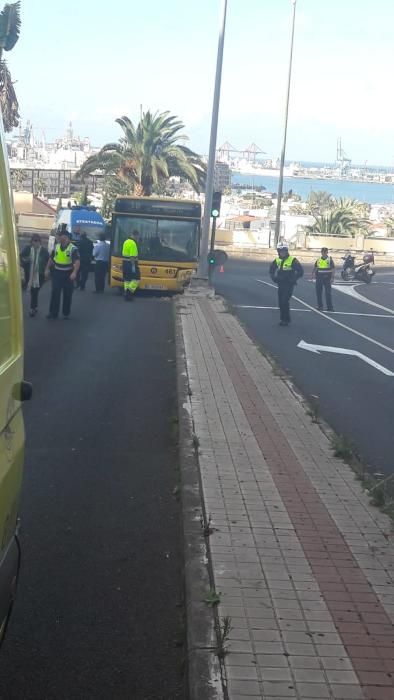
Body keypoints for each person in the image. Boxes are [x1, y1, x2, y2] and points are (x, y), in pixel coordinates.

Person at [45, 227, 80, 319]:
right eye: (59, 236)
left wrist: (74, 272)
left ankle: (66, 313)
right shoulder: (56, 246)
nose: (59, 238)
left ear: (66, 237)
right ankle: (53, 313)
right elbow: (51, 259)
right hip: (57, 273)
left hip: (68, 274)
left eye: (61, 236)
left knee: (67, 294)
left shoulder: (73, 248)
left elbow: (77, 262)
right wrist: (47, 269)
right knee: (55, 292)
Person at [269, 244, 303, 326]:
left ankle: (286, 320)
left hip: (289, 284)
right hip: (280, 284)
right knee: (281, 302)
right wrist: (274, 278)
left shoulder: (293, 260)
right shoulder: (277, 260)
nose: (282, 253)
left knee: (285, 301)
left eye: (283, 251)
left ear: (286, 251)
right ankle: (282, 319)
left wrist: (293, 279)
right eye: (280, 251)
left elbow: (300, 271)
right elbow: (271, 270)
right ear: (278, 252)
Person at [20, 234, 49, 316]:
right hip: (30, 274)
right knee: (34, 292)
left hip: (40, 275)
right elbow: (20, 257)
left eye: (38, 241)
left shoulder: (44, 251)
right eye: (34, 241)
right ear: (31, 242)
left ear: (40, 242)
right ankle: (34, 308)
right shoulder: (28, 249)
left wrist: (47, 270)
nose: (36, 243)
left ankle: (33, 308)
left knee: (35, 291)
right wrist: (26, 259)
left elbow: (49, 261)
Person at [313, 247, 335, 312]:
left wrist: (332, 278)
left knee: (328, 293)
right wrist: (313, 274)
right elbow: (316, 267)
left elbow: (333, 269)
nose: (324, 253)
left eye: (325, 252)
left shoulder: (329, 260)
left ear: (327, 252)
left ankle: (330, 307)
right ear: (321, 252)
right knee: (318, 293)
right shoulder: (318, 259)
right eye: (323, 252)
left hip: (327, 278)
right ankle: (320, 306)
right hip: (319, 278)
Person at [122, 230, 140, 301]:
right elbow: (132, 256)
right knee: (136, 279)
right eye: (138, 236)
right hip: (131, 264)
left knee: (127, 280)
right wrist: (133, 267)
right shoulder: (133, 243)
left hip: (124, 263)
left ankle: (127, 295)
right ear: (136, 235)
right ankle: (128, 292)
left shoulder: (126, 241)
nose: (138, 237)